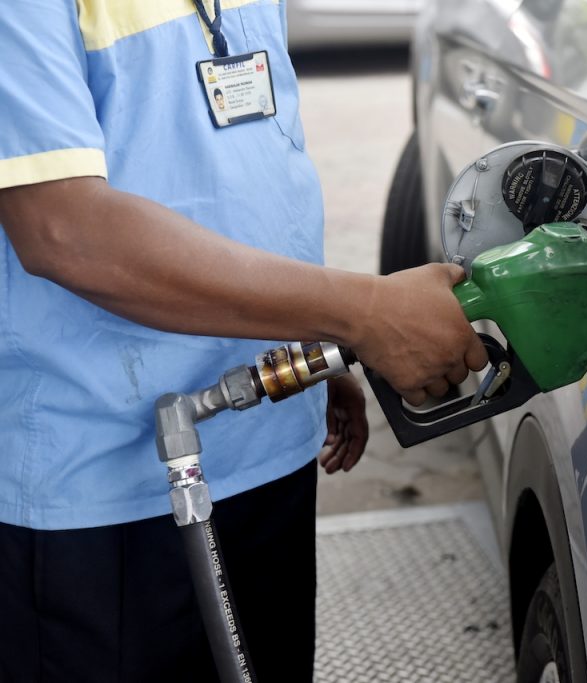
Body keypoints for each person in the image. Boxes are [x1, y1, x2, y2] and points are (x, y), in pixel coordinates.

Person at [0, 2, 486, 682]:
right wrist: (362, 311)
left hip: (265, 443)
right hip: (106, 489)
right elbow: (62, 228)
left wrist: (308, 338)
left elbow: (241, 152)